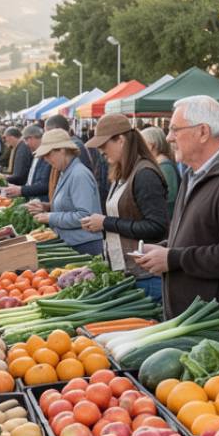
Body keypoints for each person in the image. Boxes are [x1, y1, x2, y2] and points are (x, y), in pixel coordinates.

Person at [135, 97, 219, 347]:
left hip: (218, 329)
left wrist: (173, 258)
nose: (169, 137)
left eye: (174, 129)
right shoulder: (192, 175)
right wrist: (165, 248)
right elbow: (201, 234)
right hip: (191, 323)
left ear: (203, 132)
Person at [81, 114, 168, 300]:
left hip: (146, 277)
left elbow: (157, 226)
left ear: (120, 140)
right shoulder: (123, 173)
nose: (101, 151)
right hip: (129, 274)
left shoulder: (145, 174)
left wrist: (106, 223)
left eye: (104, 145)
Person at [29, 129, 102, 255]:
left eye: (48, 154)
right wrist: (46, 207)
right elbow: (69, 205)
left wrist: (50, 217)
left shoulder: (79, 174)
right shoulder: (66, 171)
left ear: (62, 150)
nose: (46, 159)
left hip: (85, 246)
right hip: (75, 244)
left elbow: (85, 216)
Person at [141, 126, 180, 219]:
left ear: (151, 146)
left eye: (142, 144)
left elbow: (170, 202)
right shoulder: (160, 166)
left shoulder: (166, 168)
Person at [4, 125, 40, 189]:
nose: (6, 140)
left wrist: (4, 178)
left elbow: (19, 174)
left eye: (6, 138)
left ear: (11, 137)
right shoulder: (20, 147)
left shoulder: (22, 148)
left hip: (23, 186)